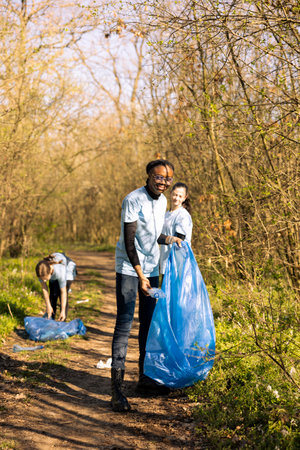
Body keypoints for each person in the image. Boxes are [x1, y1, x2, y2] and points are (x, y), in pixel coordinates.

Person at [111, 159, 182, 412]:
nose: (163, 182)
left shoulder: (163, 201)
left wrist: (169, 239)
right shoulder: (132, 199)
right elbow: (130, 242)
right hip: (130, 269)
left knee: (150, 325)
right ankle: (116, 390)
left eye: (167, 178)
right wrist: (140, 275)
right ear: (149, 176)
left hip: (152, 271)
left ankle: (145, 379)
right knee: (125, 323)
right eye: (158, 177)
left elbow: (151, 236)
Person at [160, 182, 193, 276]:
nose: (176, 198)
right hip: (165, 261)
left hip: (177, 264)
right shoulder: (167, 214)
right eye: (175, 194)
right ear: (170, 193)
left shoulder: (182, 215)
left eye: (180, 196)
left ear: (185, 197)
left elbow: (180, 240)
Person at [35, 252, 77, 322]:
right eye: (42, 280)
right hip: (54, 272)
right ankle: (51, 320)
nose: (44, 281)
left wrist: (63, 311)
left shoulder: (60, 271)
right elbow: (44, 289)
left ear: (50, 271)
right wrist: (48, 305)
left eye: (45, 279)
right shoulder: (41, 270)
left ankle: (63, 320)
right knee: (53, 294)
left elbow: (63, 292)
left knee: (61, 295)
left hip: (68, 269)